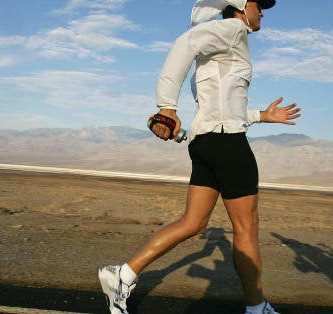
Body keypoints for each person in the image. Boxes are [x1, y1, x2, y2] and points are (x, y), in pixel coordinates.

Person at [98, 1, 301, 313]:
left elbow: (224, 105)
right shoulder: (233, 30)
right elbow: (185, 43)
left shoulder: (221, 41)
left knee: (193, 223)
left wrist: (261, 115)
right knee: (246, 229)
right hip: (229, 146)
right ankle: (257, 308)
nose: (264, 12)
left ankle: (122, 275)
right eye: (260, 5)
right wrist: (167, 106)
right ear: (243, 6)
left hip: (205, 142)